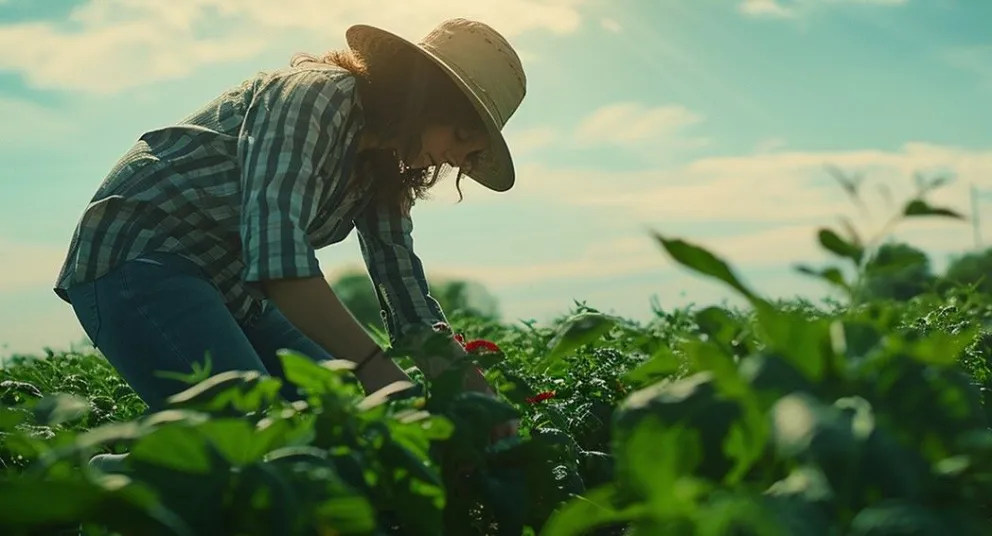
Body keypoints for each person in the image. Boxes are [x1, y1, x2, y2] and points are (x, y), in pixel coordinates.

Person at [53, 17, 527, 459]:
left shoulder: (383, 167)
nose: (454, 157)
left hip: (236, 288)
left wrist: (468, 381)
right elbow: (277, 255)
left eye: (470, 153)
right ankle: (118, 484)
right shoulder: (317, 96)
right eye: (461, 134)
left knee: (340, 426)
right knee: (260, 439)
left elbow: (404, 292)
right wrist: (375, 369)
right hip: (141, 253)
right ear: (426, 98)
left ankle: (142, 473)